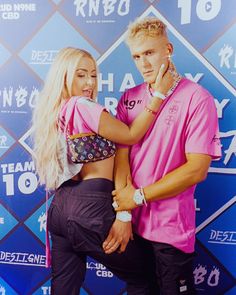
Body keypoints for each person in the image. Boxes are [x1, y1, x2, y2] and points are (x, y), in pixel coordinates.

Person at [31, 47, 176, 295]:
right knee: (146, 276)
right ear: (64, 76)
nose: (89, 82)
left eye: (93, 75)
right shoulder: (82, 105)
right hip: (91, 209)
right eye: (81, 75)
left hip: (60, 209)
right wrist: (159, 94)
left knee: (64, 288)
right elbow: (130, 135)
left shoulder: (57, 110)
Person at [106, 17, 222, 295]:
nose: (143, 63)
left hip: (170, 232)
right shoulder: (129, 98)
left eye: (149, 53)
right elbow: (121, 158)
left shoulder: (197, 98)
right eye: (136, 56)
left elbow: (196, 169)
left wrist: (139, 196)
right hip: (133, 228)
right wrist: (123, 215)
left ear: (167, 49)